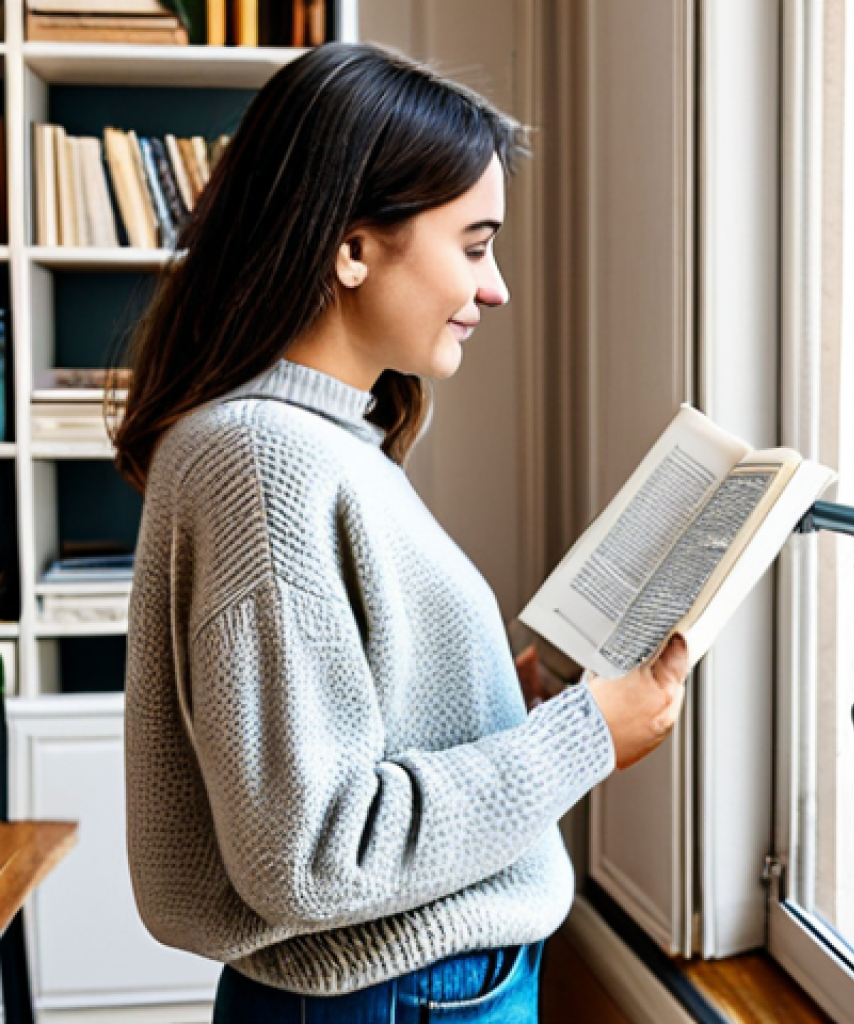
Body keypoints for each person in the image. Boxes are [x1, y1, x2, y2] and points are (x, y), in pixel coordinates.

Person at [112, 41, 690, 1024]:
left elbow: (332, 747)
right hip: (391, 998)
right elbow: (309, 854)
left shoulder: (325, 442)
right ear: (350, 246)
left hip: (412, 990)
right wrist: (581, 738)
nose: (495, 287)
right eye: (473, 246)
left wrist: (495, 702)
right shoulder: (263, 460)